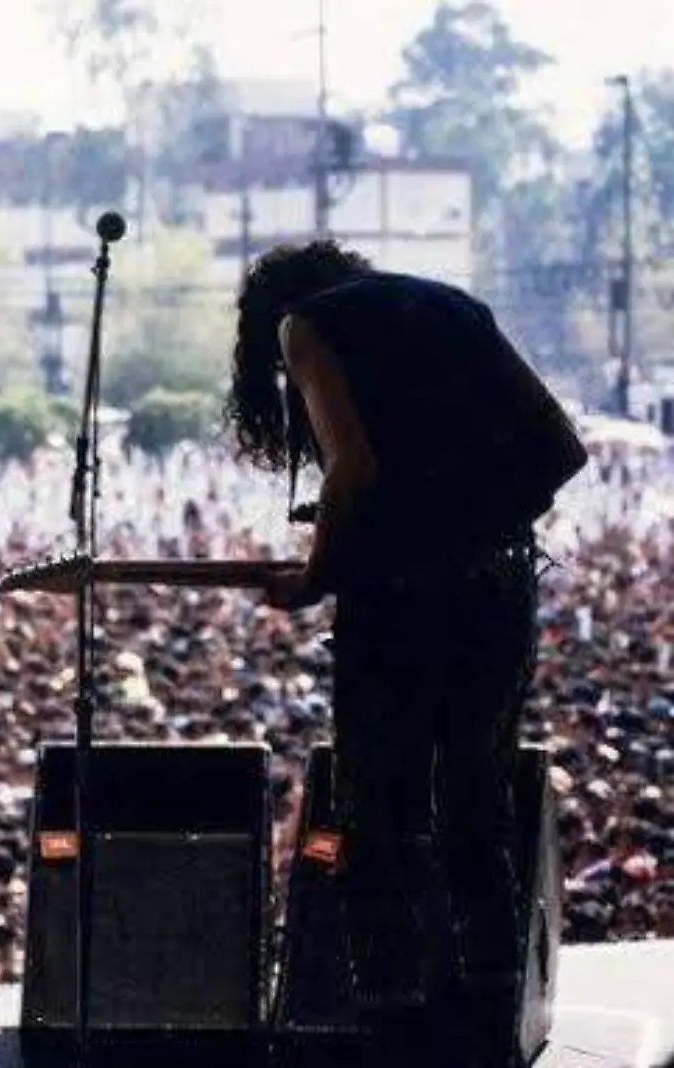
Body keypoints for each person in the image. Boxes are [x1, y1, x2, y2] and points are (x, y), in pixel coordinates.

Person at [225, 242, 589, 1068]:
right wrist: (468, 516)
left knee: (379, 814)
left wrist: (322, 571)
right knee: (476, 805)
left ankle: (392, 1031)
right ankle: (496, 1029)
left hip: (398, 605)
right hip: (497, 593)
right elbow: (563, 449)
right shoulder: (453, 306)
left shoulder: (305, 324)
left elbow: (353, 464)